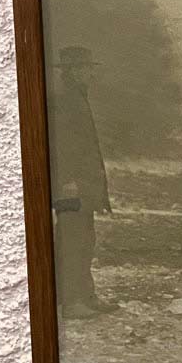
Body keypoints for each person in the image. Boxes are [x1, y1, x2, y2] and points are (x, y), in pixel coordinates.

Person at [49, 46, 118, 319]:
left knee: (84, 238)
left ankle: (84, 296)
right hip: (71, 186)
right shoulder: (66, 100)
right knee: (72, 241)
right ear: (74, 71)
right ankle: (72, 301)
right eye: (87, 67)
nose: (91, 72)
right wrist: (67, 180)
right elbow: (62, 144)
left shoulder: (77, 97)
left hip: (81, 185)